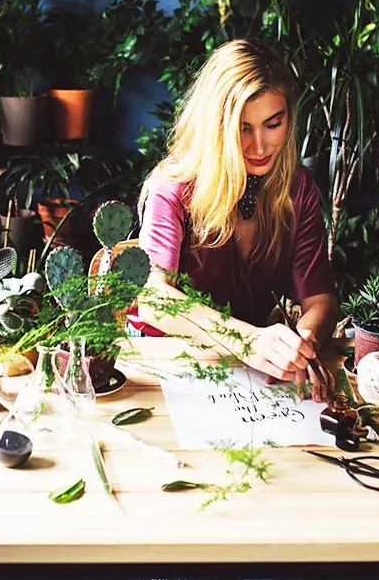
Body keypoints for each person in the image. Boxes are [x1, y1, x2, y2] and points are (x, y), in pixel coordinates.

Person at [136, 38, 338, 402]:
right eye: (243, 128)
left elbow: (320, 298)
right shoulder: (174, 187)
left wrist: (303, 344)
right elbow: (153, 299)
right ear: (216, 126)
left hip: (252, 375)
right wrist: (246, 339)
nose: (260, 146)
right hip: (165, 366)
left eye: (272, 124)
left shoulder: (298, 190)